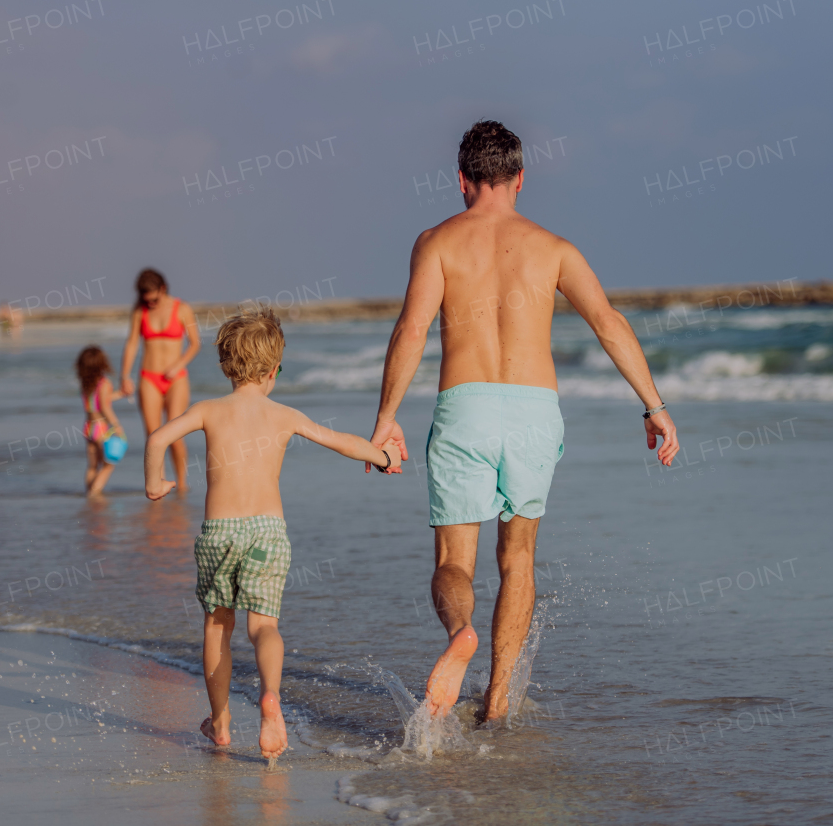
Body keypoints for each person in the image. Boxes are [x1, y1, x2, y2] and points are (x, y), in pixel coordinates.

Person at [369, 121, 680, 726]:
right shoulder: (554, 247)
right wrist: (655, 407)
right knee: (519, 560)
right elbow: (609, 323)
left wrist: (385, 421)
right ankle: (497, 700)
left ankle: (461, 634)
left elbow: (410, 331)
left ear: (461, 180)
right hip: (536, 409)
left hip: (466, 405)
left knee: (454, 560)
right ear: (519, 178)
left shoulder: (435, 242)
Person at [144, 309, 401, 762]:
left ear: (227, 366)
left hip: (219, 532)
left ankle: (221, 723)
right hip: (268, 531)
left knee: (217, 624)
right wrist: (381, 455)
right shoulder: (284, 414)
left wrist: (154, 482)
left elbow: (158, 438)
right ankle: (270, 698)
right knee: (264, 625)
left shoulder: (208, 410)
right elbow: (339, 440)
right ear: (271, 371)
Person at [122, 269, 201, 490]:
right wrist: (124, 376)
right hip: (148, 377)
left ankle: (182, 485)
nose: (152, 304)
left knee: (175, 433)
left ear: (163, 289)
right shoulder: (139, 311)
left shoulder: (182, 309)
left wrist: (178, 365)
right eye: (147, 300)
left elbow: (195, 343)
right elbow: (131, 344)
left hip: (176, 378)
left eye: (155, 299)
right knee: (153, 435)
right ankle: (157, 485)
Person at [76, 345, 126, 496]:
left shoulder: (86, 383)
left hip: (88, 427)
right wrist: (117, 426)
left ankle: (88, 492)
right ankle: (93, 494)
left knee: (92, 466)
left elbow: (100, 401)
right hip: (101, 428)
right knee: (108, 465)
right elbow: (105, 407)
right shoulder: (104, 383)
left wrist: (120, 394)